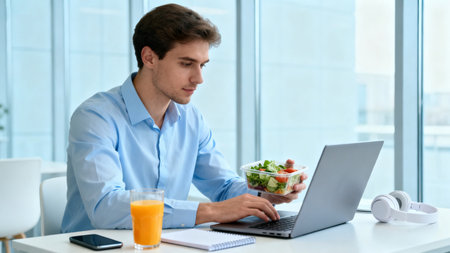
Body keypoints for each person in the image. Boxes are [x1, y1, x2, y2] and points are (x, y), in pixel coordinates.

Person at [61, 3, 307, 233]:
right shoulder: (95, 117)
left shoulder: (191, 119)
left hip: (166, 244)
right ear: (149, 58)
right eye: (187, 64)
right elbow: (106, 207)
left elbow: (223, 189)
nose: (199, 78)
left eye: (203, 65)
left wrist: (268, 193)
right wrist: (210, 211)